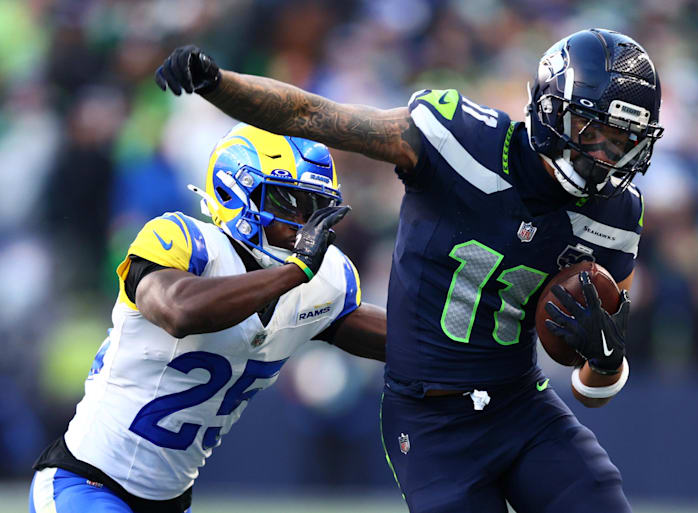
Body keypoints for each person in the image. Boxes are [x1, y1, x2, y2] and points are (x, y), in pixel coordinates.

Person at [156, 28, 663, 512]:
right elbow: (313, 114)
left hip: (522, 406)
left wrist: (606, 359)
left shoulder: (617, 216)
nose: (603, 155)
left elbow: (594, 389)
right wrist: (218, 83)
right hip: (430, 420)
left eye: (621, 143)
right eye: (593, 131)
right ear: (552, 107)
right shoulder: (460, 139)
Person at [28, 123, 386, 513]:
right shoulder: (184, 241)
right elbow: (178, 311)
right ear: (237, 190)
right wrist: (294, 272)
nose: (303, 225)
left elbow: (407, 343)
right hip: (86, 482)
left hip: (171, 502)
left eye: (315, 208)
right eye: (288, 203)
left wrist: (460, 346)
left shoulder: (323, 282)